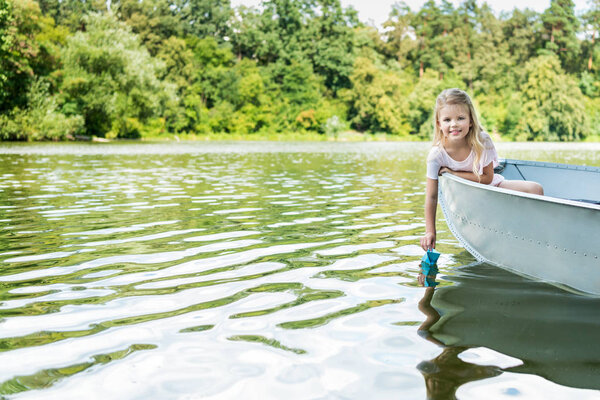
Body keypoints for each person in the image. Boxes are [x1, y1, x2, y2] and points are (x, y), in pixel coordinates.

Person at [420, 88, 543, 251]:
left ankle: (534, 234)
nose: (454, 124)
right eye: (447, 120)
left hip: (492, 188)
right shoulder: (436, 155)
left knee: (536, 189)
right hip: (468, 200)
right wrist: (430, 232)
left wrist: (454, 173)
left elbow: (487, 179)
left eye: (460, 118)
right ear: (439, 123)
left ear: (471, 120)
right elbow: (431, 196)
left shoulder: (482, 141)